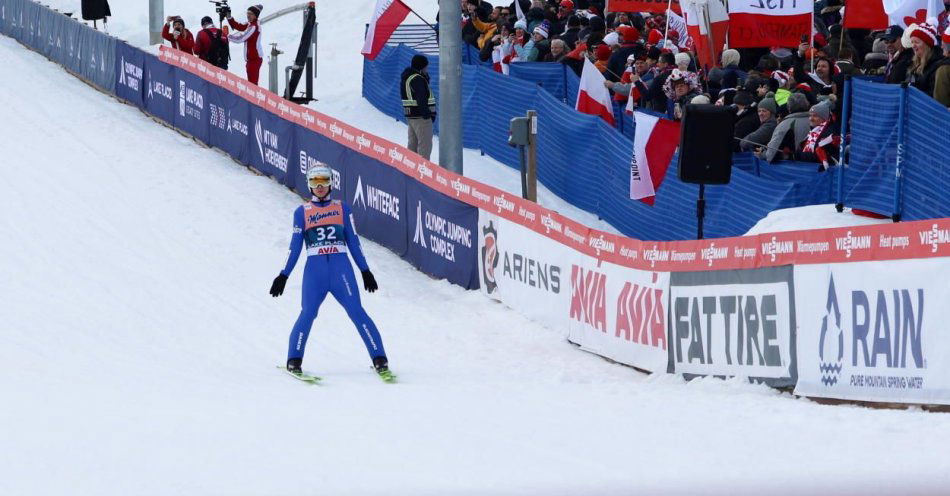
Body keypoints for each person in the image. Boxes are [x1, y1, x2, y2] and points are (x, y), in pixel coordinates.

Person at [269, 165, 393, 382]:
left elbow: (353, 241)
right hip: (315, 272)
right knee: (307, 313)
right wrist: (283, 275)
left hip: (341, 270)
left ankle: (380, 359)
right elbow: (295, 246)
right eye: (315, 182)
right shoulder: (302, 212)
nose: (319, 186)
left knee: (357, 311)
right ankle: (294, 360)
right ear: (309, 184)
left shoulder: (342, 209)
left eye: (324, 181)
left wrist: (365, 271)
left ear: (331, 183)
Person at [400, 54, 436, 160]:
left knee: (412, 145)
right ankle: (423, 172)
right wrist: (427, 114)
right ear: (421, 67)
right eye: (426, 67)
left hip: (411, 117)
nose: (427, 69)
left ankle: (411, 169)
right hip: (421, 118)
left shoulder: (407, 77)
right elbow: (421, 98)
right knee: (424, 147)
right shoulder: (417, 79)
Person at [905, 22, 947, 98]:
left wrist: (913, 94)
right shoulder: (913, 63)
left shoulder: (937, 66)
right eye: (912, 42)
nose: (913, 46)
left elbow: (933, 95)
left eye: (917, 42)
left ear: (927, 45)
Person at [227, 4, 264, 85]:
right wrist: (229, 17)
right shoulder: (250, 23)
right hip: (251, 59)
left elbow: (241, 38)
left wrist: (228, 37)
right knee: (251, 83)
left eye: (250, 14)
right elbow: (239, 27)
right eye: (247, 13)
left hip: (254, 59)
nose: (248, 15)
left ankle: (254, 98)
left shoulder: (254, 27)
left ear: (255, 15)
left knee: (252, 85)